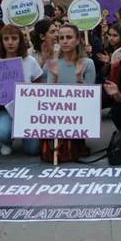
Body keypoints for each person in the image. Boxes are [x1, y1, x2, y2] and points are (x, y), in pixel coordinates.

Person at [0, 24, 45, 156]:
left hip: (28, 111)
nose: (10, 42)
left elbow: (40, 84)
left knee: (33, 151)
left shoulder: (30, 61)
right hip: (4, 110)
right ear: (1, 41)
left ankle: (27, 136)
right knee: (2, 131)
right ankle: (6, 141)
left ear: (20, 40)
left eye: (14, 38)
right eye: (6, 39)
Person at [44, 24, 96, 155]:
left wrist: (79, 77)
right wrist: (55, 77)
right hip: (58, 111)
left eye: (69, 37)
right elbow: (48, 97)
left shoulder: (88, 63)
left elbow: (89, 99)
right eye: (61, 38)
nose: (65, 41)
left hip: (79, 113)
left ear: (78, 40)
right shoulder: (53, 63)